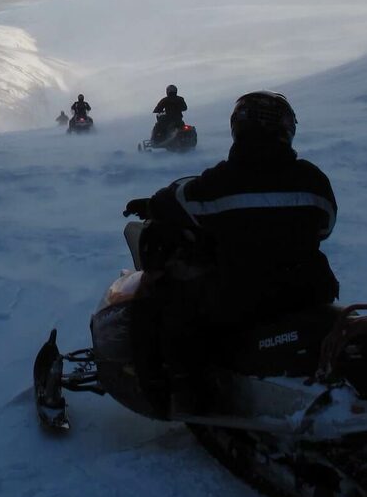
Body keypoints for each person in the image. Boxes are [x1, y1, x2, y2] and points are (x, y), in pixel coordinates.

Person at [125, 90, 338, 409]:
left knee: (165, 305)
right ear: (286, 129)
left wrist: (152, 204)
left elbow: (176, 202)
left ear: (238, 127)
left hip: (243, 295)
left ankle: (184, 397)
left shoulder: (220, 182)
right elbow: (326, 226)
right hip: (308, 289)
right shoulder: (313, 180)